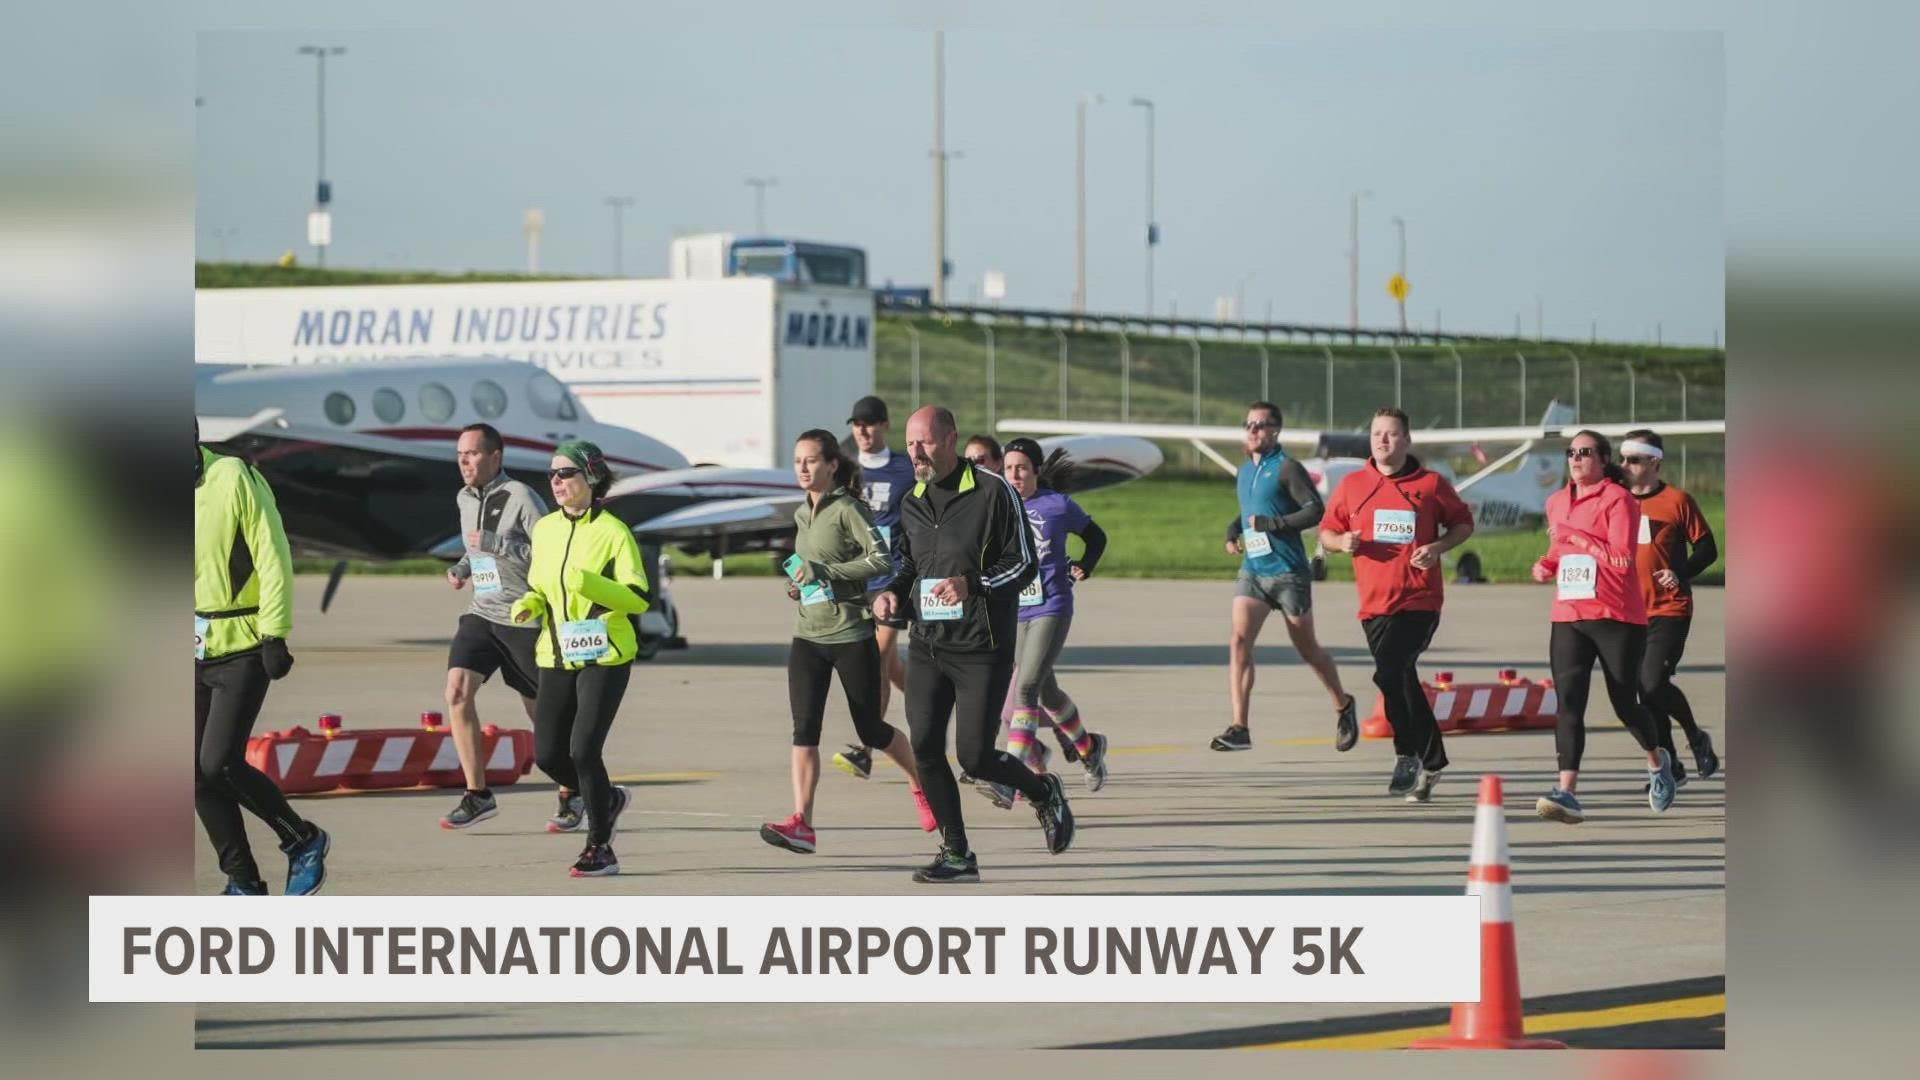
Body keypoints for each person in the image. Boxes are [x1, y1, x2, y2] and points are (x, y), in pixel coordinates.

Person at [873, 406, 1073, 883]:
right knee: (923, 746)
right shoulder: (913, 500)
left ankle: (1043, 792)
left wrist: (973, 584)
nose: (916, 452)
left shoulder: (992, 491)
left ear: (951, 440)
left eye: (925, 442)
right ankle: (957, 853)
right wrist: (891, 592)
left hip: (982, 646)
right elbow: (908, 564)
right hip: (927, 642)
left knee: (975, 756)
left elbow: (1022, 563)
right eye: (911, 443)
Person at [761, 431, 940, 853]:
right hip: (808, 635)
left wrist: (825, 571)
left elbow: (879, 560)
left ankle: (924, 784)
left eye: (811, 461)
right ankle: (802, 822)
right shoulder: (802, 513)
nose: (803, 468)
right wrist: (800, 585)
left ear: (832, 465)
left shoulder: (849, 510)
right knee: (804, 729)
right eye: (797, 461)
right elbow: (811, 570)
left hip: (851, 634)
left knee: (871, 728)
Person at [195, 430, 330, 895]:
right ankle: (243, 881)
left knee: (219, 763)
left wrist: (275, 633)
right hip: (192, 645)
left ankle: (302, 840)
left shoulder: (233, 475)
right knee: (191, 773)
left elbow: (272, 554)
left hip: (245, 642)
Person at [510, 440, 652, 877]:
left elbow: (638, 598)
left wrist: (590, 584)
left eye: (566, 473)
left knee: (584, 749)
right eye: (552, 474)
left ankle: (599, 847)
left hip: (605, 653)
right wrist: (531, 603)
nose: (556, 482)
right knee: (550, 756)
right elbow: (541, 585)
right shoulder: (547, 529)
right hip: (554, 652)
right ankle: (605, 799)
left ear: (590, 477)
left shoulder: (613, 531)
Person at [1320, 408, 1476, 801]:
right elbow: (1327, 531)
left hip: (1419, 599)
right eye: (1376, 434)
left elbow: (1462, 523)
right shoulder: (1354, 484)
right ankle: (1433, 762)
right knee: (1397, 677)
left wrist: (1438, 547)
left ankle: (1407, 755)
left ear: (1407, 440)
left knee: (1391, 669)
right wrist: (1342, 543)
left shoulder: (1430, 484)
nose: (1382, 441)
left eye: (1391, 434)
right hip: (1374, 604)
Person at [1531, 430, 1677, 824]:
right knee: (1569, 704)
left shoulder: (1620, 500)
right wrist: (1546, 564)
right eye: (1570, 453)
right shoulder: (1556, 501)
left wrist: (1574, 536)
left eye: (1585, 452)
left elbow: (1621, 560)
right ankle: (1567, 791)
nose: (1575, 459)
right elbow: (1559, 551)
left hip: (1616, 616)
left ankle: (1656, 759)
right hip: (1569, 614)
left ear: (1603, 458)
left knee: (1624, 703)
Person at [977, 438, 1111, 809]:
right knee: (1047, 693)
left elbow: (1096, 536)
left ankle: (1009, 777)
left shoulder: (1058, 506)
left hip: (1052, 606)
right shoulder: (998, 507)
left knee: (1026, 689)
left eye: (1022, 467)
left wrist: (1086, 565)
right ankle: (1089, 745)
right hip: (1016, 611)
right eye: (1009, 468)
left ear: (1036, 470)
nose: (1015, 474)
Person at [1217, 402, 1357, 751]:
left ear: (1276, 430)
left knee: (1308, 650)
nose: (1253, 431)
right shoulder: (1245, 471)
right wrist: (1233, 532)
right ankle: (1239, 727)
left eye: (1261, 425)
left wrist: (1274, 525)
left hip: (1288, 573)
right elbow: (1249, 510)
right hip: (1254, 571)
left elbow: (1314, 510)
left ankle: (1343, 703)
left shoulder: (1287, 468)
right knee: (1238, 642)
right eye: (1248, 424)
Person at [439, 423, 555, 831]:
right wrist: (461, 568)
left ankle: (572, 791)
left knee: (542, 717)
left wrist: (499, 545)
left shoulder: (521, 496)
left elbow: (550, 550)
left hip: (523, 617)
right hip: (482, 612)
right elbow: (474, 548)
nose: (464, 462)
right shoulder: (463, 498)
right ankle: (477, 794)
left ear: (495, 457)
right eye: (459, 455)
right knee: (456, 691)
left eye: (471, 453)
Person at [1620, 429, 1721, 787]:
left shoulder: (1677, 501)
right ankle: (1671, 765)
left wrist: (1679, 573)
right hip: (1628, 612)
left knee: (1651, 683)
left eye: (1633, 459)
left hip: (1669, 609)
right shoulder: (1616, 501)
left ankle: (1695, 736)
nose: (1625, 465)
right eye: (1622, 458)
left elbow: (1708, 550)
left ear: (1654, 463)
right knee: (1643, 693)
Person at [832, 396, 917, 782]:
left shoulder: (905, 469)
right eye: (856, 425)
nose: (862, 432)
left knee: (879, 659)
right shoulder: (845, 469)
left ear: (884, 425)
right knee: (893, 666)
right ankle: (929, 709)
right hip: (858, 579)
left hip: (893, 577)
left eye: (869, 424)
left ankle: (864, 748)